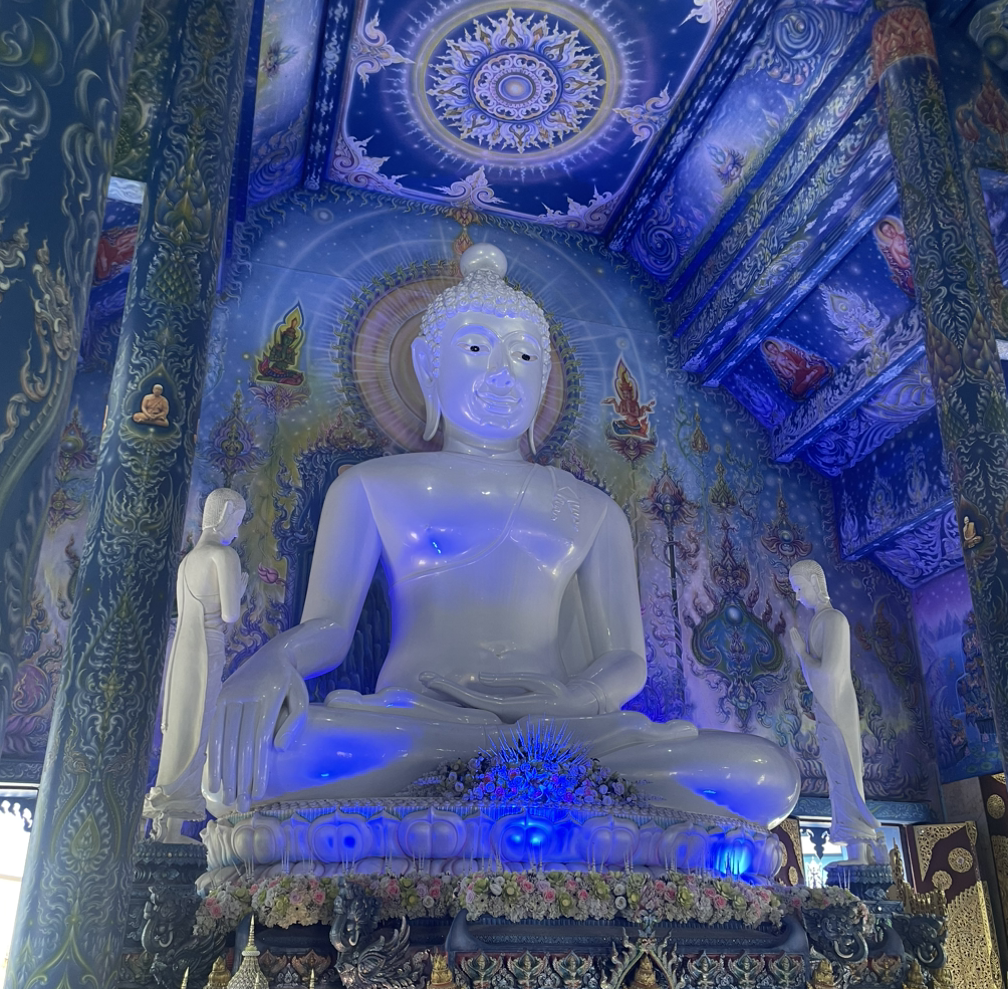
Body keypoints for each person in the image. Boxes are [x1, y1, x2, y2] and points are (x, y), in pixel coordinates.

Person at [203, 244, 799, 827]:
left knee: (764, 774)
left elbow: (623, 661)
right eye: (475, 348)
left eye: (523, 356)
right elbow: (329, 631)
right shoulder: (371, 485)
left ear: (544, 378)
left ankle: (451, 806)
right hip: (417, 723)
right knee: (251, 760)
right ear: (428, 366)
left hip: (565, 731)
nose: (500, 375)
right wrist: (273, 660)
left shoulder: (592, 509)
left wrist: (576, 700)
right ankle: (565, 811)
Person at [144, 488, 246, 841]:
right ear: (225, 515)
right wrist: (240, 591)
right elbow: (229, 614)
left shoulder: (188, 561)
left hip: (182, 650)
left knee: (179, 727)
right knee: (197, 727)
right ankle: (171, 823)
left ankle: (166, 822)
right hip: (207, 647)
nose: (238, 530)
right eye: (237, 520)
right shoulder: (223, 555)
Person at [788, 559, 886, 865]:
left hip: (837, 707)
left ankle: (861, 850)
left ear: (816, 583)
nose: (798, 596)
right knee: (837, 780)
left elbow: (828, 674)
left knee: (846, 777)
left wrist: (802, 654)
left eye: (800, 588)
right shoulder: (820, 622)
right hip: (827, 708)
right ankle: (857, 851)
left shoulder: (834, 621)